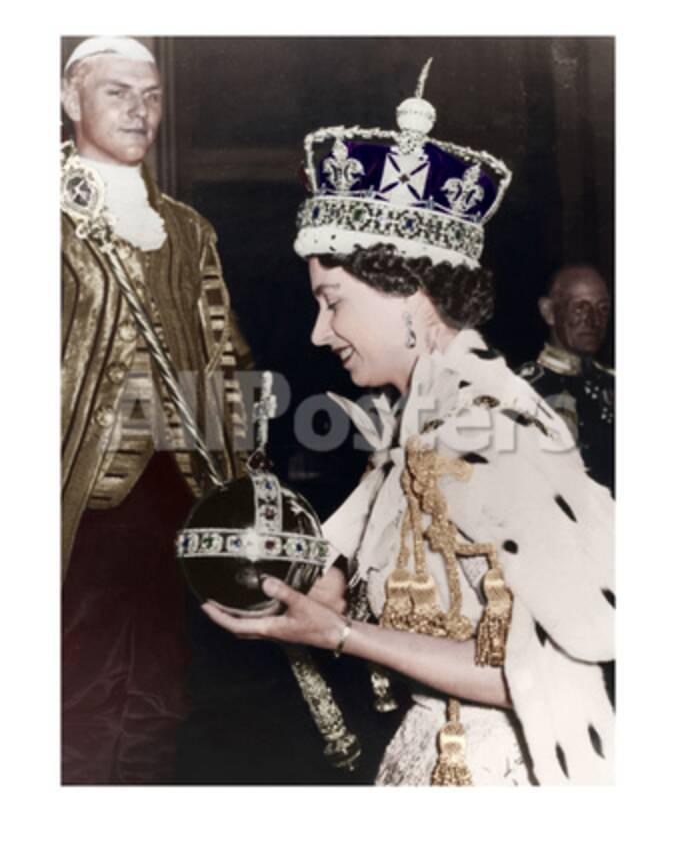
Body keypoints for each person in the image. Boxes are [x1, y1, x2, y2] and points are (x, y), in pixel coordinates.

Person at [201, 61, 615, 785]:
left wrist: (343, 633)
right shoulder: (420, 423)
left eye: (333, 300)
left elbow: (545, 672)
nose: (319, 333)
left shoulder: (496, 426)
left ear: (409, 294)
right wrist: (328, 600)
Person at [61, 36, 251, 784]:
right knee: (76, 696)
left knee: (158, 698)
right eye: (118, 93)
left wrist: (240, 483)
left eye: (152, 95)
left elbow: (223, 360)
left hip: (176, 500)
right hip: (72, 500)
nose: (141, 111)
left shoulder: (188, 228)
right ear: (71, 99)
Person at [517, 265, 614, 493]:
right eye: (580, 308)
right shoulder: (522, 390)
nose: (593, 320)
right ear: (549, 312)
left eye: (603, 309)